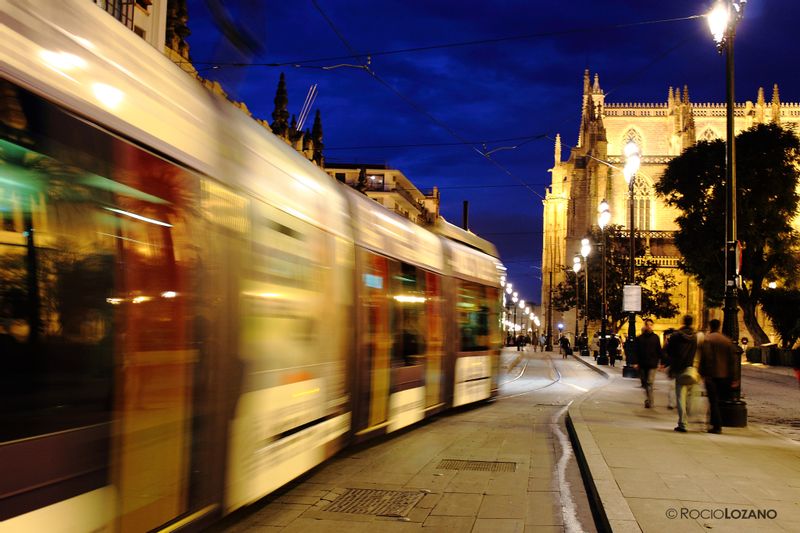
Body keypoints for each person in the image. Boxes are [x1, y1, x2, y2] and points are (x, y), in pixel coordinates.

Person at [699, 319, 738, 434]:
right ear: (719, 326)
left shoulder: (707, 340)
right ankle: (716, 422)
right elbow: (733, 360)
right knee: (719, 400)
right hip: (724, 376)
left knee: (713, 401)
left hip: (711, 375)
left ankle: (716, 425)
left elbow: (704, 358)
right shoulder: (727, 341)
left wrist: (702, 373)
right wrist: (734, 377)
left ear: (710, 326)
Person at [665, 315, 701, 433]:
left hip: (679, 369)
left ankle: (683, 423)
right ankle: (689, 414)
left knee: (680, 397)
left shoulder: (676, 336)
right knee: (690, 395)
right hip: (690, 368)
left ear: (683, 322)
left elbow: (669, 351)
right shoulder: (695, 336)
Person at [633, 319, 664, 408]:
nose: (649, 326)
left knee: (650, 382)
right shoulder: (640, 338)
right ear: (645, 326)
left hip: (652, 364)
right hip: (643, 364)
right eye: (648, 325)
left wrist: (662, 362)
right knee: (645, 383)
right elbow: (636, 351)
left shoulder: (655, 337)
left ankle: (650, 401)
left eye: (651, 325)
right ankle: (648, 398)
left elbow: (659, 350)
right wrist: (635, 362)